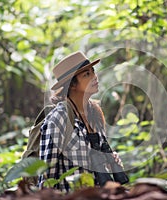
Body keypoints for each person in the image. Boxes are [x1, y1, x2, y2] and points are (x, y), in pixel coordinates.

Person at [38, 51, 127, 192]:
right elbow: (46, 176)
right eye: (87, 74)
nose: (94, 77)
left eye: (93, 71)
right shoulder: (59, 119)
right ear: (71, 85)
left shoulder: (94, 113)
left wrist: (109, 160)